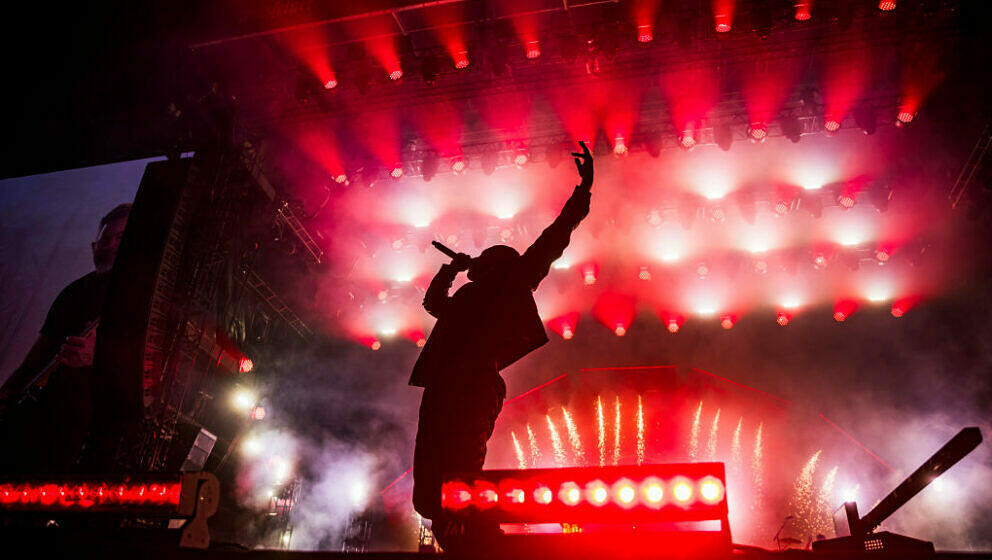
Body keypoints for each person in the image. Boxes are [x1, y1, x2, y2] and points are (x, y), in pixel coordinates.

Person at [410, 142, 594, 544]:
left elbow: (553, 238)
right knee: (432, 465)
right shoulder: (466, 299)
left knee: (461, 462)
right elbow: (433, 303)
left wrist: (582, 195)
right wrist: (450, 271)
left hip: (474, 381)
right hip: (446, 383)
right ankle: (451, 525)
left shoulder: (511, 285)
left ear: (495, 265)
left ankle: (472, 529)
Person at [0, 202, 130, 473]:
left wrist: (99, 357)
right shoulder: (76, 290)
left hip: (93, 432)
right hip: (45, 416)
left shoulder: (142, 295)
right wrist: (8, 393)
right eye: (105, 239)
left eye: (119, 238)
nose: (109, 245)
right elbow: (38, 355)